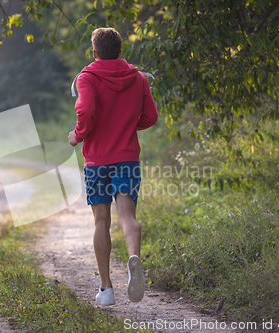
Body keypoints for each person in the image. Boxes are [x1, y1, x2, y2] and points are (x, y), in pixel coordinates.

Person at [68, 28, 158, 306]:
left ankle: (106, 289)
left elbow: (85, 111)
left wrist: (78, 134)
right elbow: (151, 116)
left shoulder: (87, 78)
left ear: (94, 53)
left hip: (97, 161)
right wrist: (128, 126)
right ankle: (134, 258)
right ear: (120, 52)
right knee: (127, 215)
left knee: (101, 220)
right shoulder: (138, 78)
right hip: (127, 158)